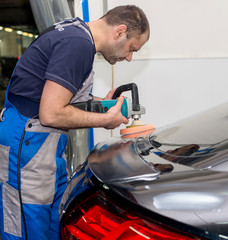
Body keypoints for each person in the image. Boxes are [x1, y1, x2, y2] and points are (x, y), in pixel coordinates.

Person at [0, 5, 150, 240]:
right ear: (120, 32)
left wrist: (103, 104)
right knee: (29, 230)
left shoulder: (77, 34)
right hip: (27, 146)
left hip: (43, 146)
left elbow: (59, 96)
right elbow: (51, 113)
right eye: (132, 49)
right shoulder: (77, 44)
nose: (129, 58)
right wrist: (104, 120)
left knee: (53, 225)